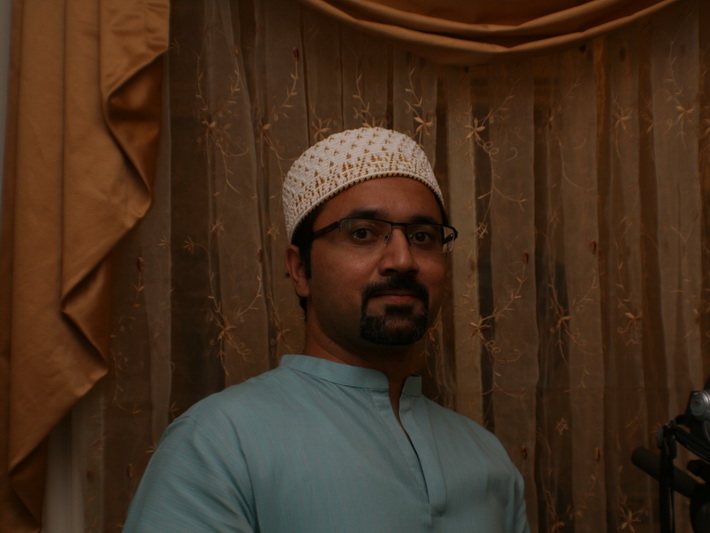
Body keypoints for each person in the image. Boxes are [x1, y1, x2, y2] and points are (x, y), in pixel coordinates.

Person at [123, 127, 530, 532]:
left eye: (422, 237)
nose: (403, 260)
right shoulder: (220, 443)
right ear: (301, 270)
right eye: (363, 233)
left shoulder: (486, 458)